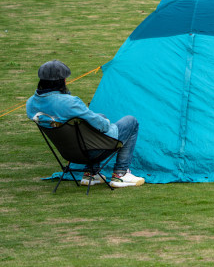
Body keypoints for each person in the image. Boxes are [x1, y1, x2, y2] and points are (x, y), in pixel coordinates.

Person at [27, 60, 145, 188]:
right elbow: (103, 126)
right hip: (92, 151)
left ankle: (91, 173)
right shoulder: (70, 103)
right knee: (131, 121)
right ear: (63, 81)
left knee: (100, 116)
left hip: (69, 152)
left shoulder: (31, 104)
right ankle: (120, 174)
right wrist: (106, 122)